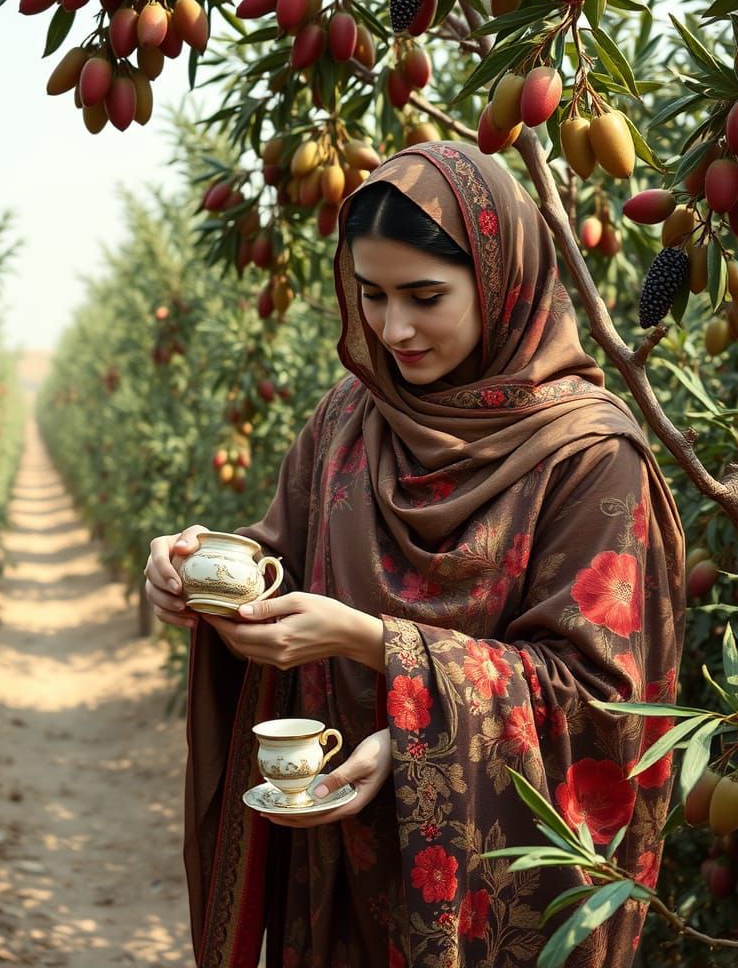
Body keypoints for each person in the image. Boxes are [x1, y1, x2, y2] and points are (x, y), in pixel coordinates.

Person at [144, 140, 685, 968]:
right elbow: (280, 560)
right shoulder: (349, 422)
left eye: (425, 296)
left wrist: (372, 655)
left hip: (487, 880)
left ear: (500, 283)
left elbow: (601, 701)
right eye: (371, 296)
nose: (393, 329)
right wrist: (194, 575)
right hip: (337, 850)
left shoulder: (587, 457)